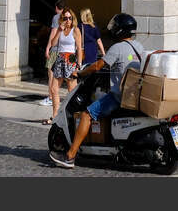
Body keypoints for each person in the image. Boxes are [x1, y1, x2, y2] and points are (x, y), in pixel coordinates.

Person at [51, 12, 145, 168]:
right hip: (135, 94)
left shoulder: (117, 48)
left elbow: (97, 66)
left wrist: (79, 73)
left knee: (87, 114)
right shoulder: (139, 46)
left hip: (119, 96)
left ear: (120, 30)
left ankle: (70, 156)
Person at [46, 9, 80, 121]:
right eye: (65, 18)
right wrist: (59, 31)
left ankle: (72, 115)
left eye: (70, 18)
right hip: (60, 59)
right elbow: (53, 43)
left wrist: (78, 65)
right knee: (54, 89)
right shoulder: (60, 29)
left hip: (70, 60)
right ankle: (55, 115)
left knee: (72, 90)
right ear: (62, 19)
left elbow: (79, 48)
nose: (68, 20)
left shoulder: (75, 30)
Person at [38, 0, 66, 105]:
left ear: (56, 8)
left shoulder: (56, 18)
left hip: (55, 50)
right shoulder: (68, 17)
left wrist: (48, 48)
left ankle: (50, 97)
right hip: (65, 50)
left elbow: (53, 33)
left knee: (51, 74)